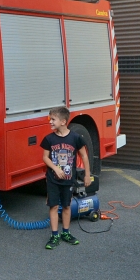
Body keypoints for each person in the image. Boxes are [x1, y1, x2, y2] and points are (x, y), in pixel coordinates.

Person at [40, 107, 90, 250]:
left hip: (68, 179)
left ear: (63, 121)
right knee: (54, 206)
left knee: (67, 206)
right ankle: (54, 235)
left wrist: (87, 175)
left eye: (53, 119)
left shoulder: (75, 138)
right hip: (52, 179)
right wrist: (55, 168)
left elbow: (84, 156)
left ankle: (66, 233)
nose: (50, 122)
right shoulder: (49, 139)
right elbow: (45, 157)